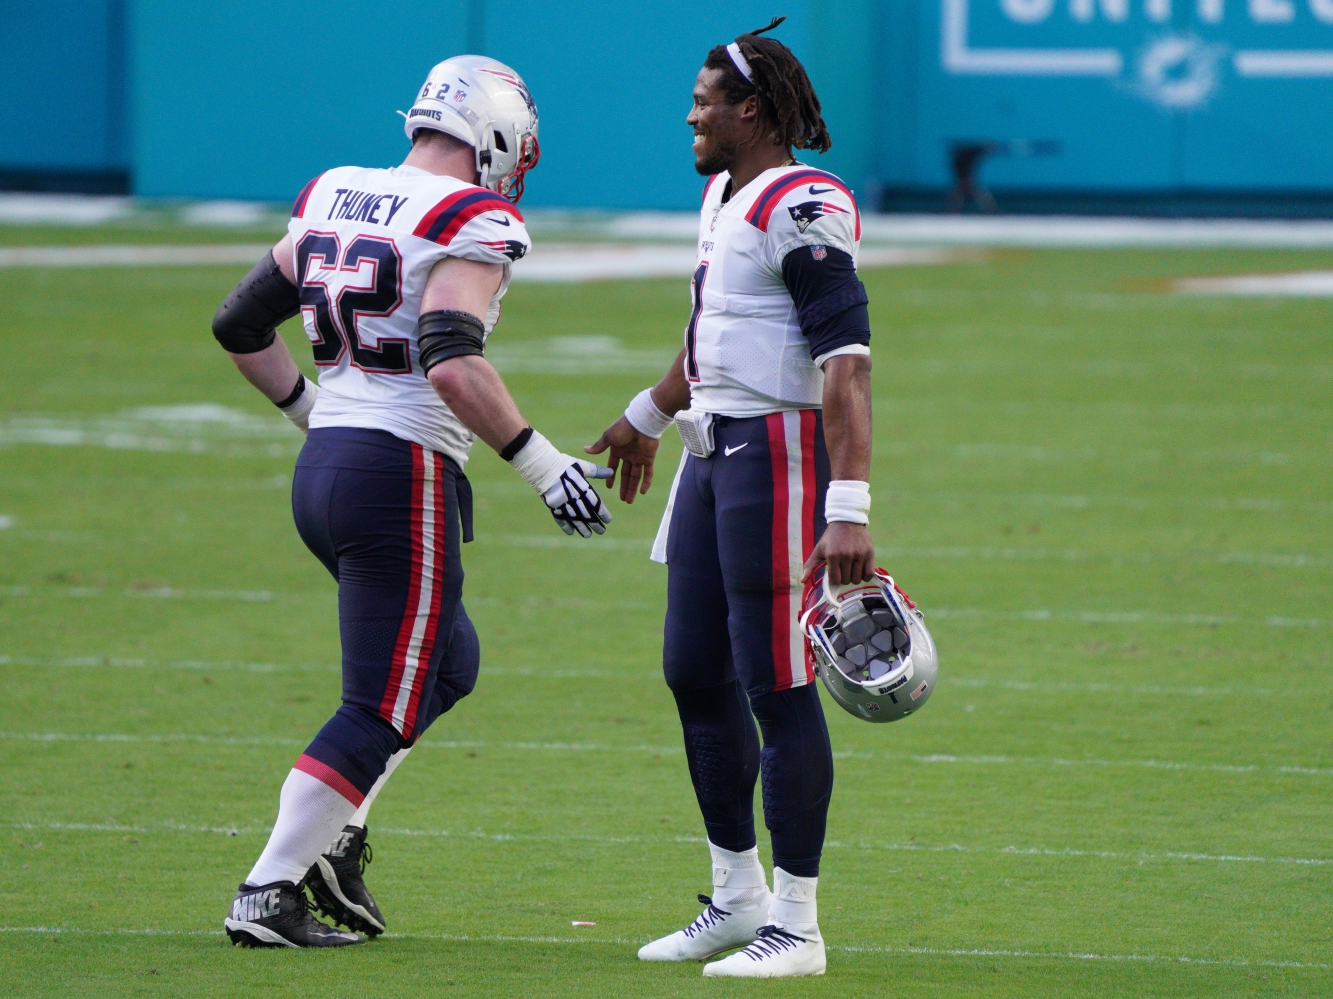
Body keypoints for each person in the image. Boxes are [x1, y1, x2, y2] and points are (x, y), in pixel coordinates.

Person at [210, 55, 614, 948]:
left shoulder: (333, 191)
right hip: (399, 473)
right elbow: (451, 353)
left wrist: (314, 414)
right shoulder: (472, 214)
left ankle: (334, 831)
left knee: (447, 663)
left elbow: (238, 324)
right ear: (501, 137)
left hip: (326, 471)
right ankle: (271, 885)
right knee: (380, 707)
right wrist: (541, 463)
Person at [585, 19, 874, 978]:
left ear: (751, 109)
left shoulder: (804, 202)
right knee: (692, 670)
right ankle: (736, 892)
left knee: (778, 685)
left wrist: (850, 506)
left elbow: (846, 366)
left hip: (778, 453)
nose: (690, 115)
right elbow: (715, 329)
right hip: (713, 449)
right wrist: (646, 413)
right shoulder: (724, 193)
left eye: (705, 101)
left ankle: (799, 921)